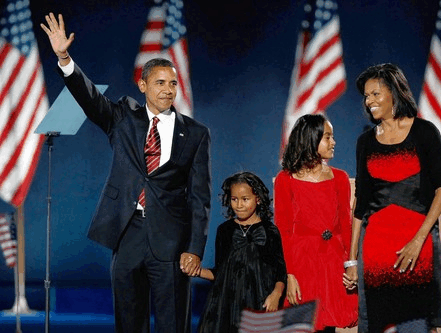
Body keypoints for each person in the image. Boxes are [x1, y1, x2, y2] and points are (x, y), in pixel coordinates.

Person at [41, 13, 211, 333]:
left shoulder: (196, 134)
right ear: (143, 85)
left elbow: (200, 198)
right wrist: (65, 58)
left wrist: (194, 249)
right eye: (160, 82)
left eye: (173, 83)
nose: (168, 89)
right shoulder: (122, 117)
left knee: (173, 324)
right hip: (128, 234)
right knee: (129, 323)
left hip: (172, 243)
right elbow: (88, 96)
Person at [343, 63, 441, 333]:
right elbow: (361, 202)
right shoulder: (365, 141)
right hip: (375, 248)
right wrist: (352, 259)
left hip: (416, 247)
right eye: (366, 96)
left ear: (394, 92)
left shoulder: (425, 132)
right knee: (378, 324)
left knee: (417, 324)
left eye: (376, 94)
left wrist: (419, 238)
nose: (369, 102)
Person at [274, 114, 358, 332]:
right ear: (311, 139)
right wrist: (289, 275)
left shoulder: (339, 177)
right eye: (327, 137)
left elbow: (346, 225)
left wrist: (351, 264)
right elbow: (282, 230)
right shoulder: (286, 179)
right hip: (302, 264)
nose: (334, 142)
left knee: (328, 325)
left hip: (332, 262)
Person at [192, 171, 287, 333]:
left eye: (245, 199)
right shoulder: (225, 230)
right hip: (226, 305)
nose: (239, 205)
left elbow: (280, 271)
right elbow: (220, 273)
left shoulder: (270, 231)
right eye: (234, 199)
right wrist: (197, 271)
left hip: (259, 303)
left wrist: (276, 295)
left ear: (257, 199)